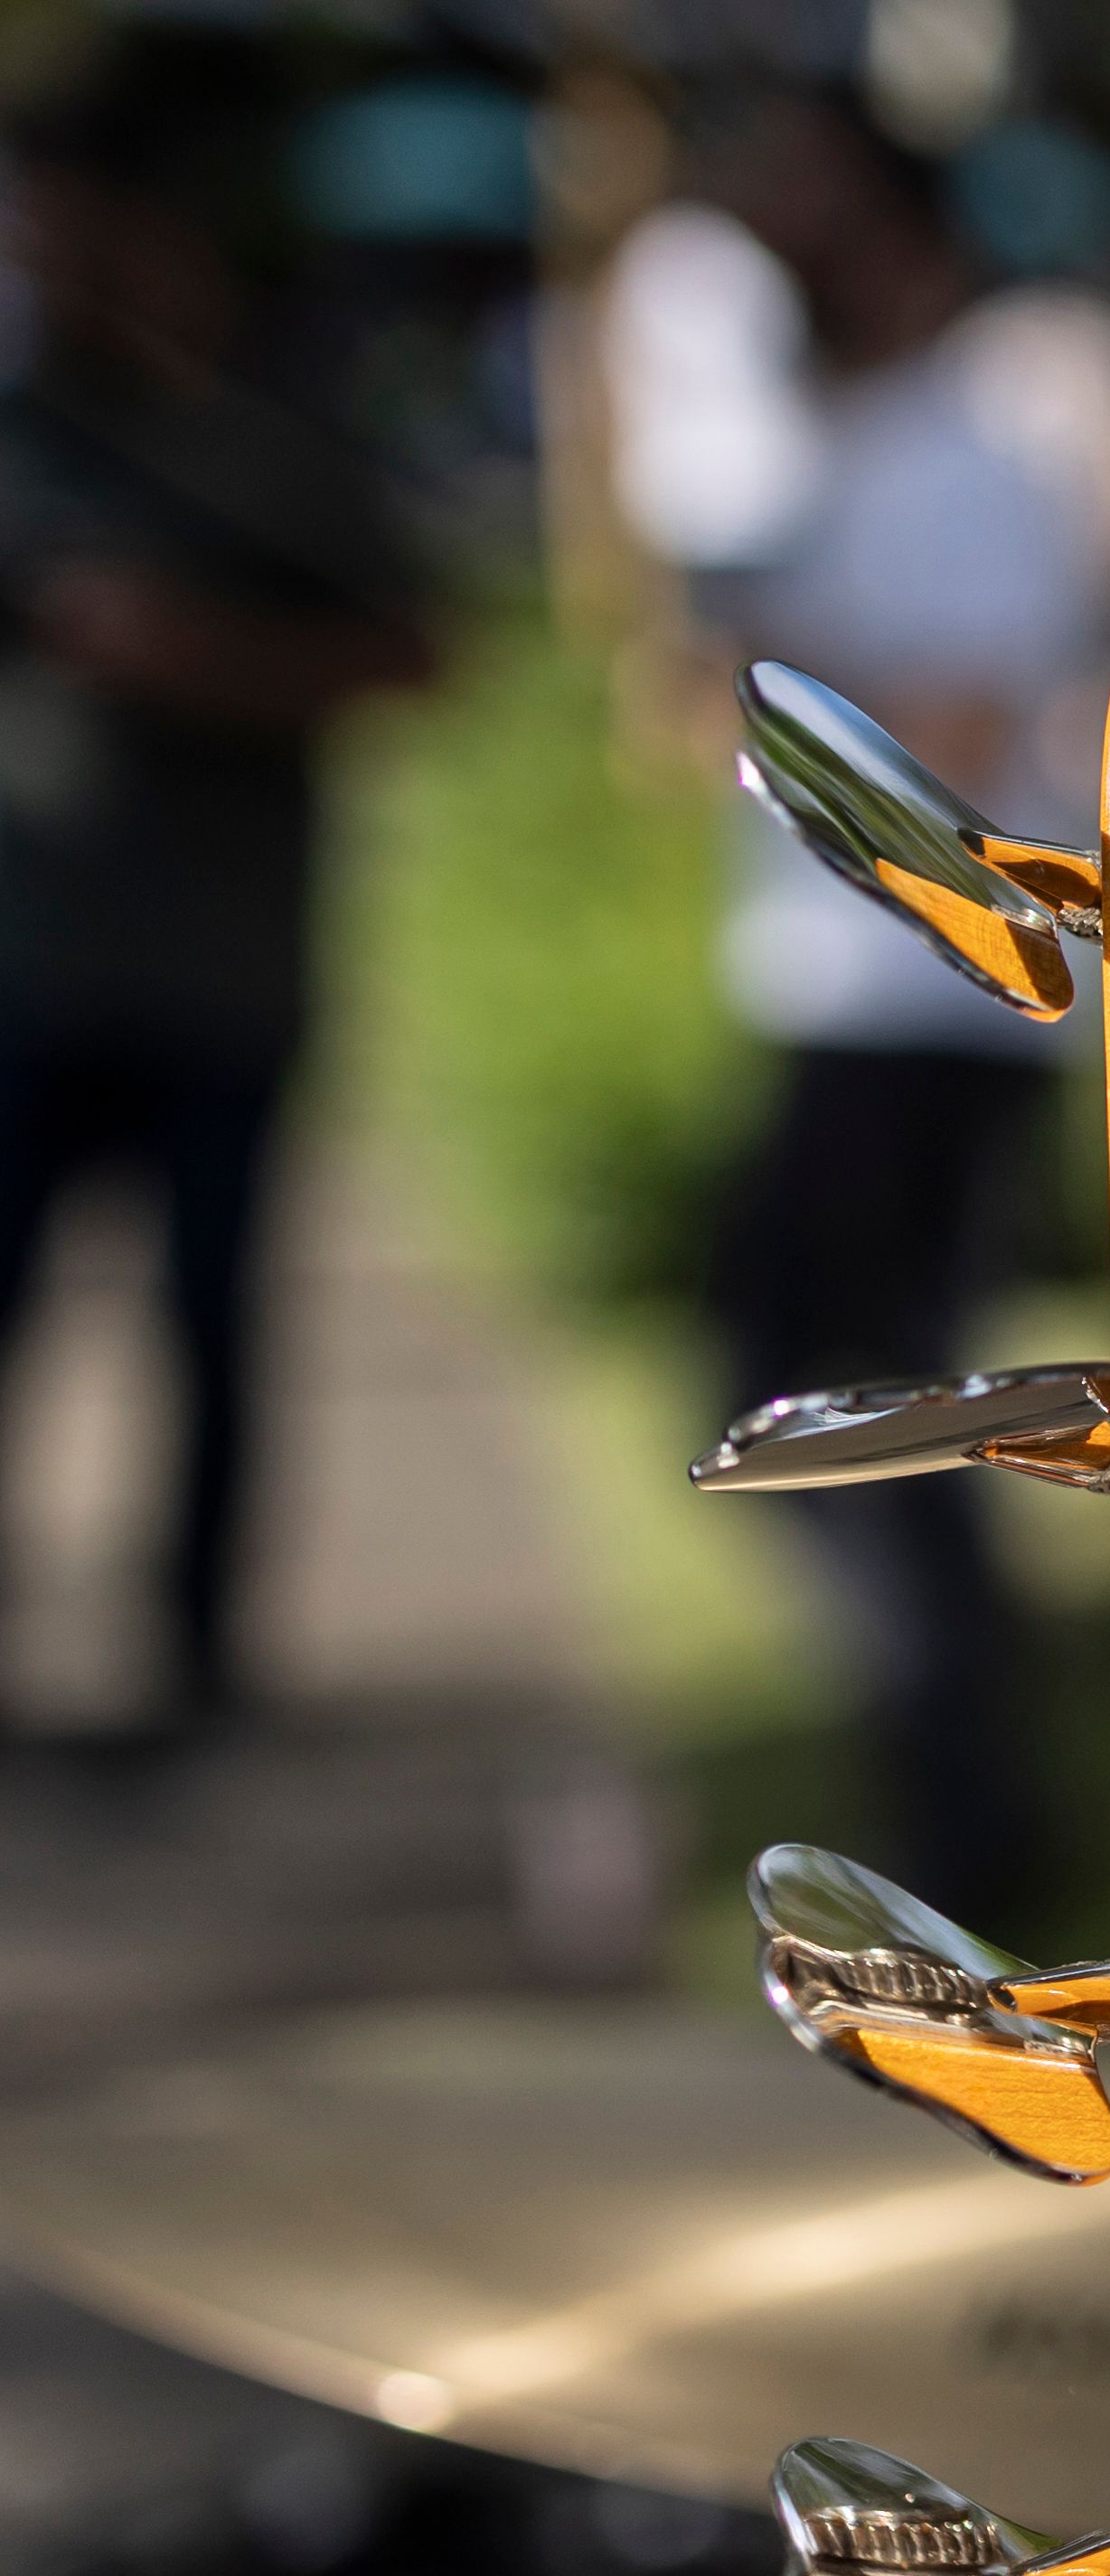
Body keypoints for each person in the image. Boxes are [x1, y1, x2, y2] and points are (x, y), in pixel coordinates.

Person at [693, 95, 1103, 1912]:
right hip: (856, 1002)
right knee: (832, 1393)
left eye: (822, 212)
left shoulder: (977, 458)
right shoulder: (842, 448)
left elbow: (953, 726)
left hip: (925, 1011)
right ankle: (952, 1788)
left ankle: (963, 1802)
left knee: (842, 1394)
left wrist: (760, 669)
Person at [0, 43, 436, 1745]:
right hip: (31, 975)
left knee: (209, 1330)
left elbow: (412, 654)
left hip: (222, 978)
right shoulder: (28, 430)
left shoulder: (283, 440)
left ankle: (192, 1674)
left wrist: (198, 659)